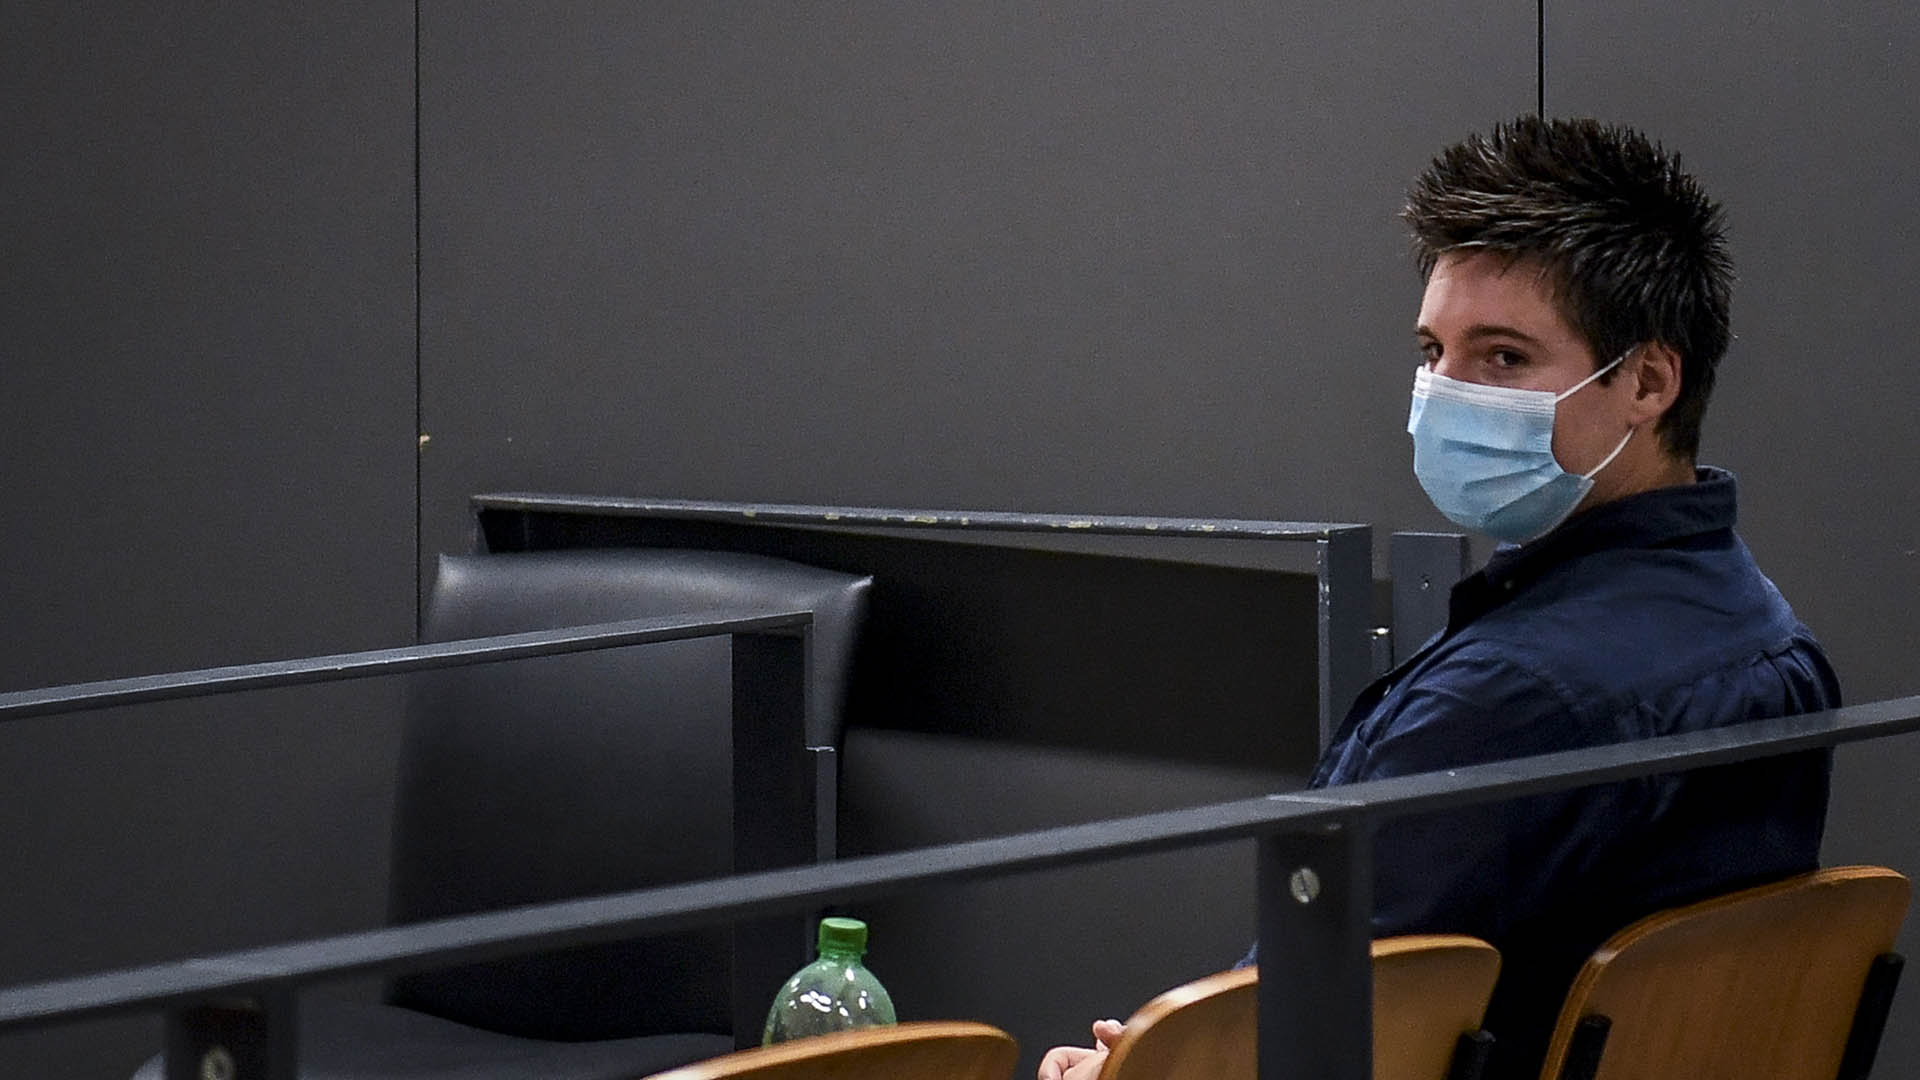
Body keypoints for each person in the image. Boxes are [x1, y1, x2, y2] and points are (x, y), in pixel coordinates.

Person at [1039, 116, 1839, 1080]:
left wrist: (1145, 1069)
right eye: (1433, 351)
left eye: (1503, 357)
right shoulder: (1767, 635)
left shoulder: (1506, 702)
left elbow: (1301, 1043)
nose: (1444, 393)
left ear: (1649, 381)